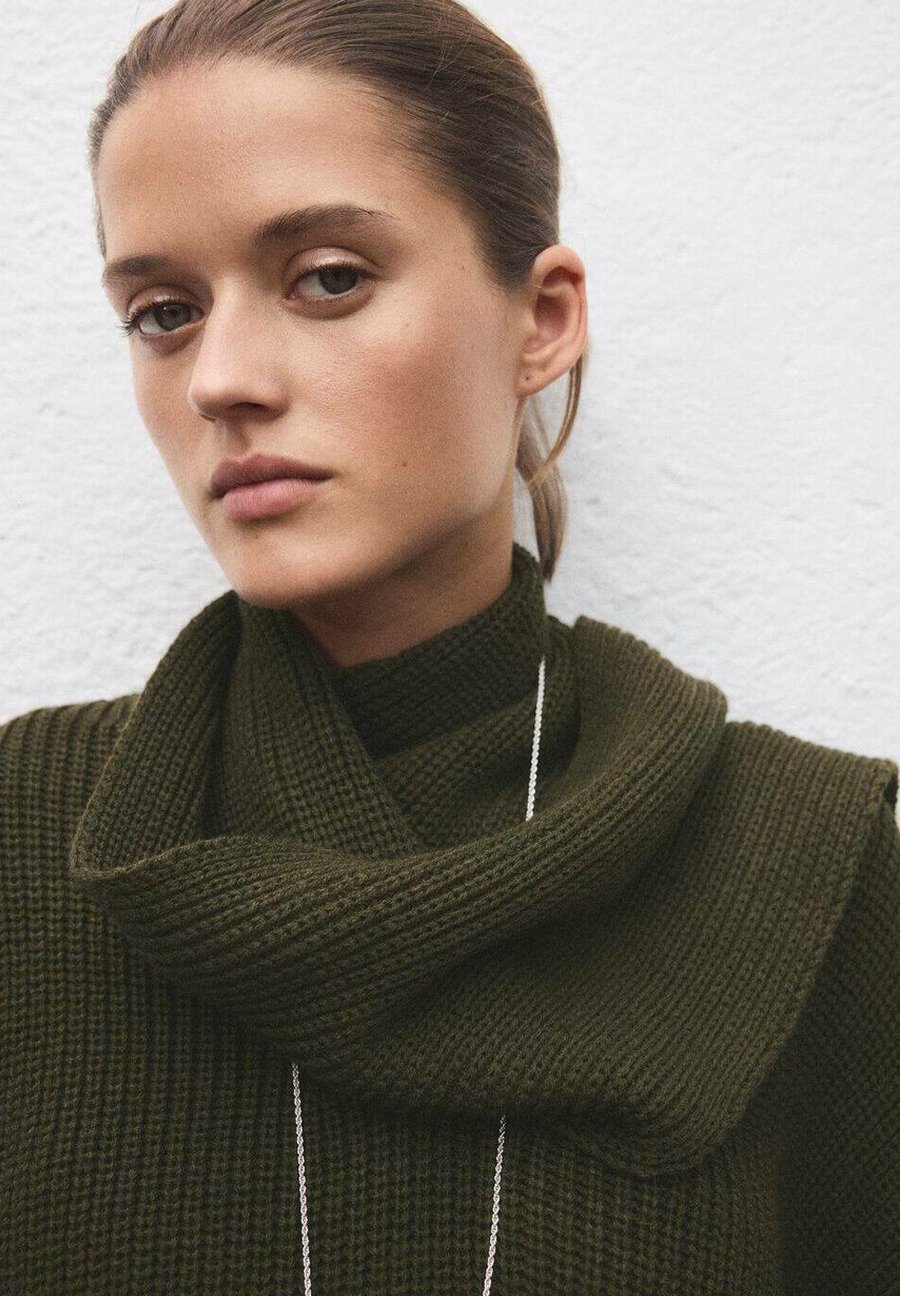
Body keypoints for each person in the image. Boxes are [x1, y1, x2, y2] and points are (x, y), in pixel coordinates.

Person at [1, 2, 897, 1293]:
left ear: (541, 319)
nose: (219, 379)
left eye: (328, 278)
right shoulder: (29, 839)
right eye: (162, 311)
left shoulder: (805, 867)